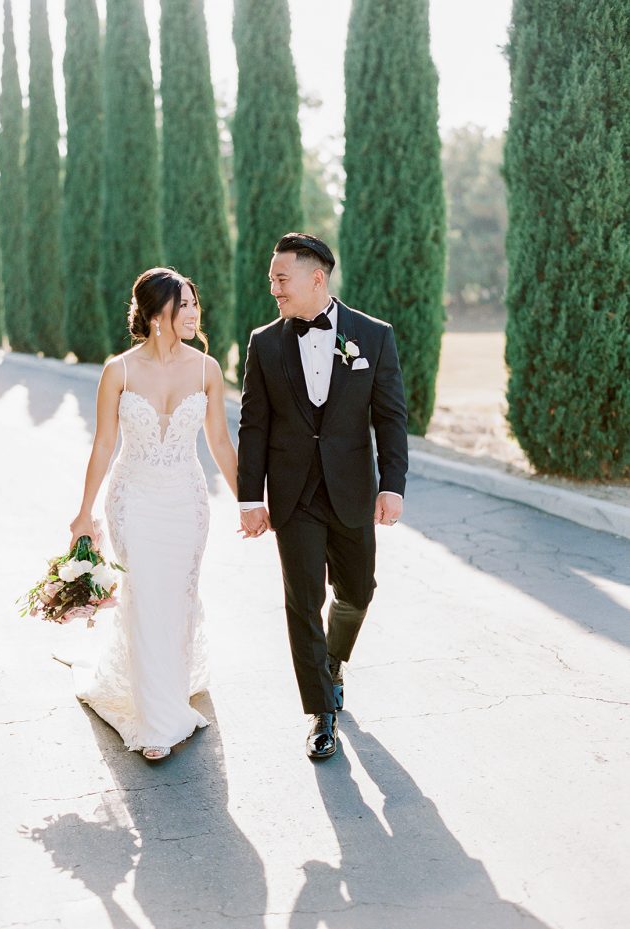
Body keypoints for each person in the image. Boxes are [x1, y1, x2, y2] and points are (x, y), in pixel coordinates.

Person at [237, 233, 408, 760]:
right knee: (302, 602)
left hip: (353, 488)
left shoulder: (373, 337)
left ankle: (333, 658)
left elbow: (390, 416)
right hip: (294, 499)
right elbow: (254, 425)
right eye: (271, 280)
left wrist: (393, 485)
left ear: (317, 277)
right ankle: (321, 711)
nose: (274, 290)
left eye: (281, 279)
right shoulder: (264, 342)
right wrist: (250, 498)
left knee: (358, 590)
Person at [67, 268, 238, 760]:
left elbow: (221, 443)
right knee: (144, 594)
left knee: (177, 595)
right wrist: (83, 513)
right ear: (156, 312)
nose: (193, 313)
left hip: (186, 501)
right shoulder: (118, 371)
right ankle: (156, 721)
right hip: (133, 500)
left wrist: (250, 502)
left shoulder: (206, 368)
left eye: (194, 304)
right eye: (183, 305)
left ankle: (169, 685)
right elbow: (103, 444)